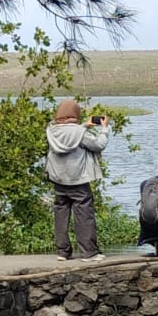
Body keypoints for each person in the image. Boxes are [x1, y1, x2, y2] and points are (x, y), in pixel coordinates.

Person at [45, 99, 109, 261]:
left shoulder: (51, 130)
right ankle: (89, 252)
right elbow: (98, 145)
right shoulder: (79, 133)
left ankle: (63, 252)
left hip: (58, 179)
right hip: (78, 180)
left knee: (61, 213)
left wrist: (85, 126)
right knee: (84, 214)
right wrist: (104, 129)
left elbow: (69, 134)